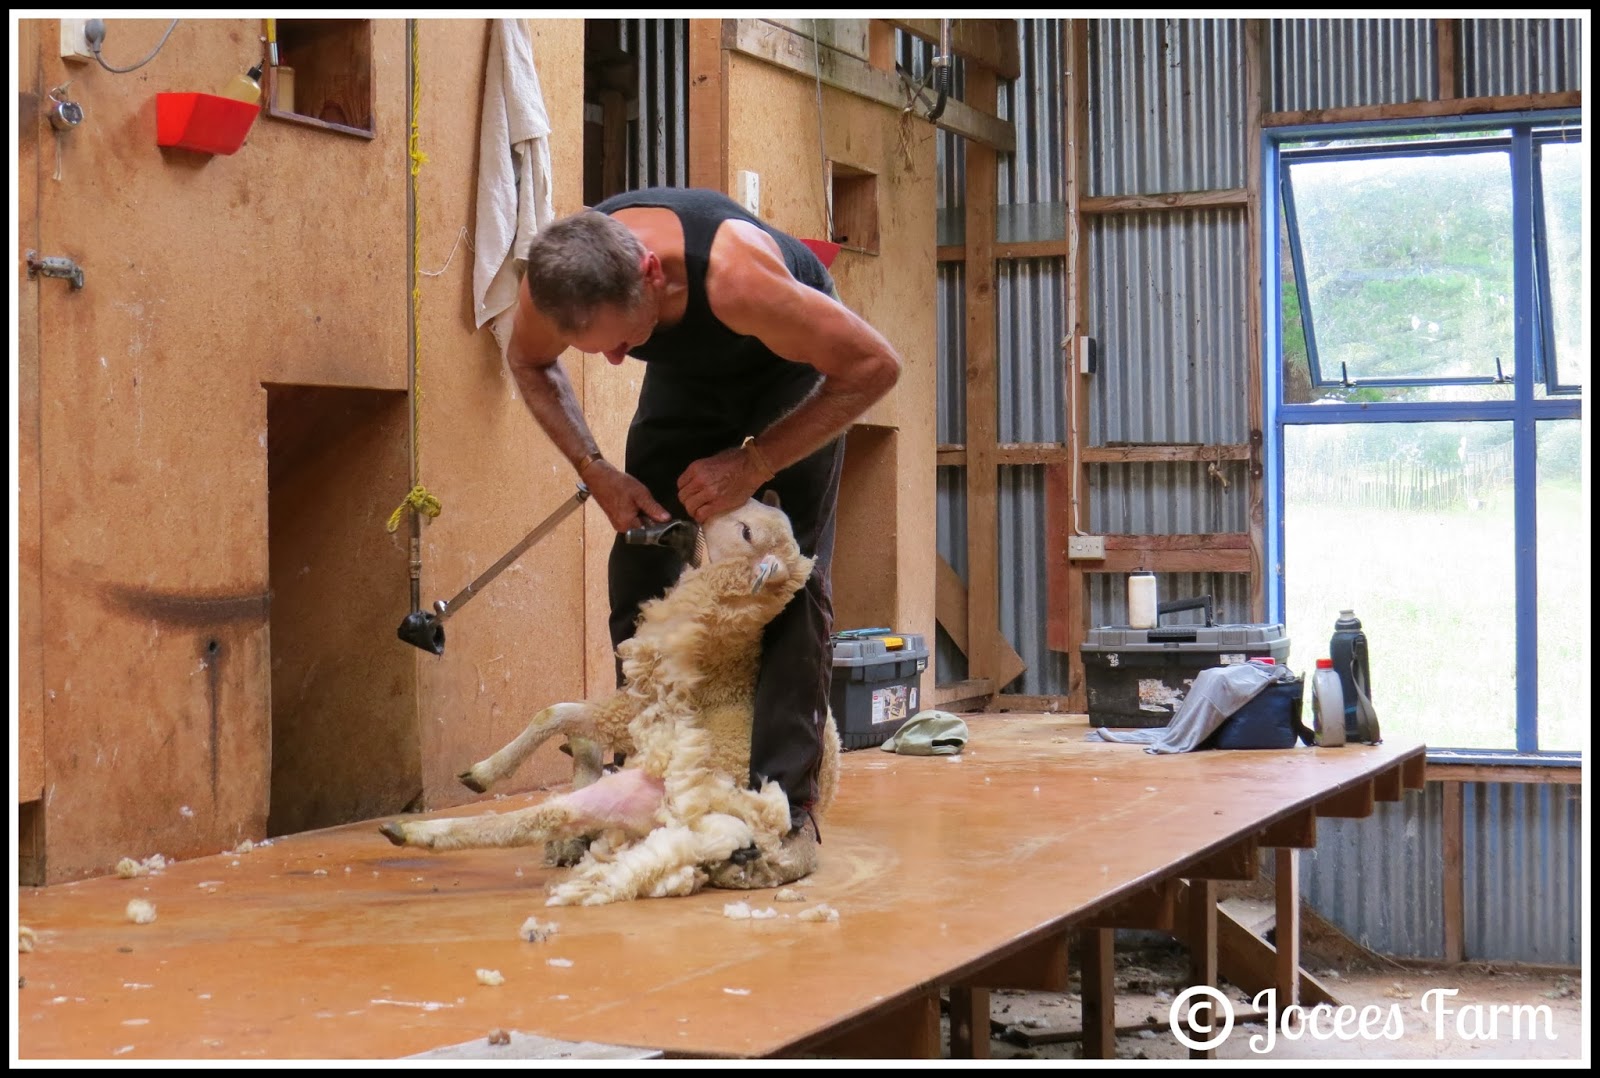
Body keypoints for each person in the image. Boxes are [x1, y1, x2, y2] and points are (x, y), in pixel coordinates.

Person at [504, 187, 902, 872]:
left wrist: (756, 463)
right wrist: (596, 469)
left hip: (795, 374)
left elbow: (875, 367)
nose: (614, 361)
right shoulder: (556, 280)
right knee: (641, 549)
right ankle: (648, 776)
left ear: (652, 274)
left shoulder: (739, 280)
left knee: (784, 579)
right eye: (596, 349)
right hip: (688, 376)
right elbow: (528, 361)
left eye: (624, 342)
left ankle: (786, 815)